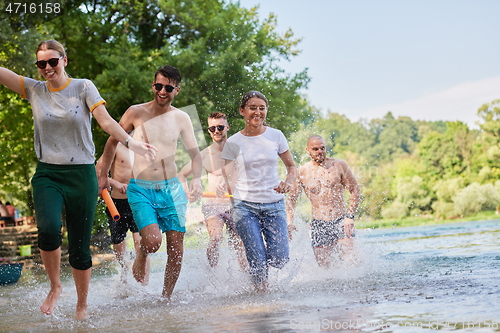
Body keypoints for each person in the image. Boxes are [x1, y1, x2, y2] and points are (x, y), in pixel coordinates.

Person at [0, 40, 156, 320]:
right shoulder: (34, 90)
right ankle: (55, 286)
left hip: (82, 174)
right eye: (41, 63)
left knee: (80, 247)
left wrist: (131, 143)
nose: (47, 68)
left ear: (64, 60)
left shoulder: (83, 87)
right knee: (47, 230)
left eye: (52, 61)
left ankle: (81, 306)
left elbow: (106, 122)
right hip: (48, 173)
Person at [97, 65, 202, 299]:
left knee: (176, 250)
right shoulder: (135, 112)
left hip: (171, 189)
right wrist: (104, 175)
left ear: (177, 90)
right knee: (153, 242)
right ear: (152, 85)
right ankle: (143, 252)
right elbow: (112, 142)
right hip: (141, 189)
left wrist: (196, 180)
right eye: (158, 86)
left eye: (168, 87)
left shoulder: (182, 117)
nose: (162, 91)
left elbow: (196, 154)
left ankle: (166, 298)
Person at [220, 90, 296, 291]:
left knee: (280, 258)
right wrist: (227, 193)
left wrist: (288, 182)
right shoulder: (233, 142)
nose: (258, 112)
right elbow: (227, 174)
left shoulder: (276, 136)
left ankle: (261, 282)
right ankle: (262, 297)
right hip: (244, 206)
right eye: (252, 108)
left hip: (274, 203)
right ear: (242, 111)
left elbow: (291, 167)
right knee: (257, 259)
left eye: (262, 108)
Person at [177, 112, 247, 269]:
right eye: (212, 128)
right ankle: (212, 277)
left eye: (220, 127)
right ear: (208, 130)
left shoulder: (238, 149)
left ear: (227, 128)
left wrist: (230, 184)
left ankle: (247, 281)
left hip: (236, 204)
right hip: (213, 205)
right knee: (215, 238)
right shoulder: (204, 155)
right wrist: (187, 191)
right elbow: (181, 174)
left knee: (240, 245)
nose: (216, 131)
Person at [286, 135, 360, 267]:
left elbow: (355, 190)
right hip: (318, 224)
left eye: (322, 148)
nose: (320, 151)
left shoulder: (339, 165)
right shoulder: (301, 172)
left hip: (341, 220)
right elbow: (291, 200)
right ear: (308, 150)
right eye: (315, 149)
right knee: (325, 270)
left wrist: (350, 217)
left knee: (351, 263)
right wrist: (290, 222)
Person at [96, 142, 150, 285]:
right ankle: (125, 267)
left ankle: (144, 285)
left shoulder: (145, 147)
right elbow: (97, 170)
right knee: (119, 248)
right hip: (117, 203)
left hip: (139, 202)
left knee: (141, 243)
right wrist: (115, 183)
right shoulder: (116, 146)